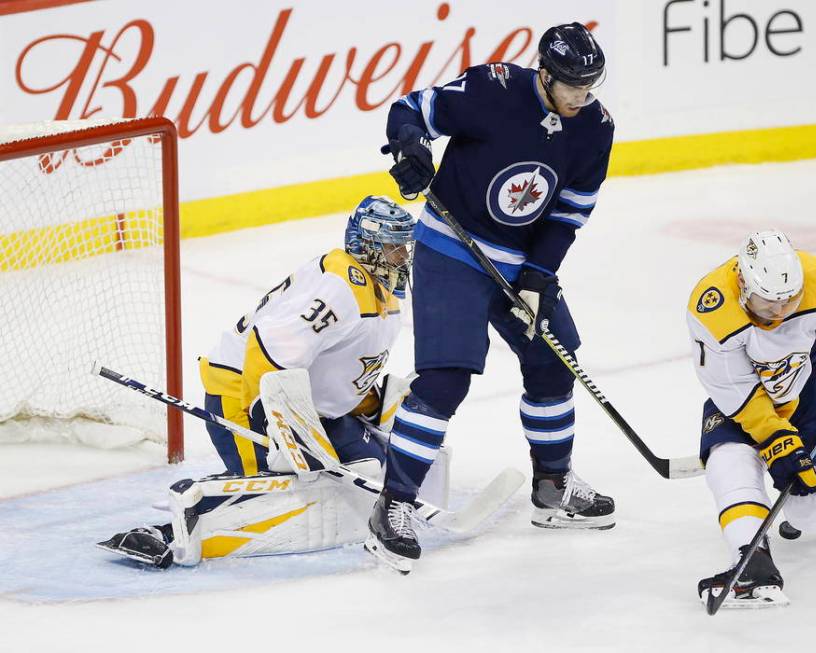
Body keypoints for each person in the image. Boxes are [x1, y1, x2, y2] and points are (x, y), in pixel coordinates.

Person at [365, 22, 616, 571]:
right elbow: (410, 109)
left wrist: (538, 274)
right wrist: (409, 147)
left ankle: (553, 487)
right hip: (452, 250)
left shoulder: (595, 126)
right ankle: (395, 505)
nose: (581, 97)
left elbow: (570, 211)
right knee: (446, 378)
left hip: (521, 263)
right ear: (545, 74)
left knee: (554, 358)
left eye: (589, 87)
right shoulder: (492, 90)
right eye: (572, 86)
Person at [97, 196, 423, 568]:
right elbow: (266, 349)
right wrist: (279, 427)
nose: (403, 256)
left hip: (304, 402)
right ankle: (166, 530)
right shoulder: (340, 289)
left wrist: (368, 404)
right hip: (245, 389)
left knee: (369, 466)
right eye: (395, 247)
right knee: (268, 488)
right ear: (368, 247)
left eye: (404, 247)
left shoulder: (380, 292)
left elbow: (339, 366)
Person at [687, 230, 816, 607]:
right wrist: (777, 442)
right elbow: (737, 393)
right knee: (726, 462)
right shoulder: (712, 310)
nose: (780, 312)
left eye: (788, 301)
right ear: (744, 285)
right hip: (745, 403)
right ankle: (752, 562)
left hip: (809, 394)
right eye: (769, 303)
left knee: (805, 512)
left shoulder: (815, 279)